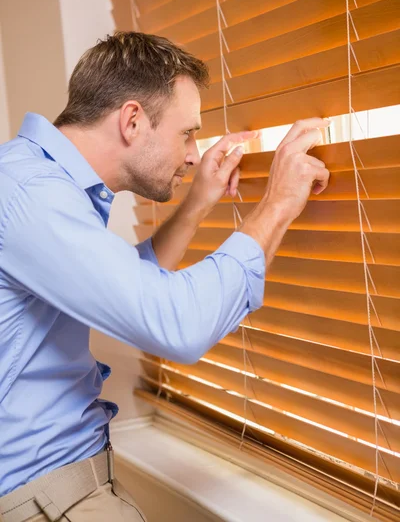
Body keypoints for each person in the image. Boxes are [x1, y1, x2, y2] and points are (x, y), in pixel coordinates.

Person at [0, 32, 329, 521]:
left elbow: (126, 288)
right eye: (188, 133)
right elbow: (176, 324)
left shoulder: (33, 180)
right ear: (133, 120)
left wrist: (197, 204)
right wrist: (278, 204)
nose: (194, 153)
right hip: (45, 500)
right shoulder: (30, 195)